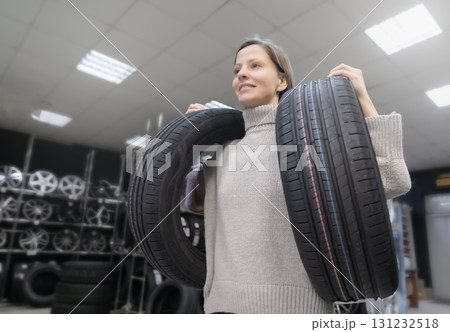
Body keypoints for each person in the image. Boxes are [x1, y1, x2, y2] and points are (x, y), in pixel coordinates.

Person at [185, 38, 411, 314]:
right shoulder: (225, 152)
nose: (242, 74)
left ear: (281, 81)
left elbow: (393, 179)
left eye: (255, 65)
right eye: (237, 70)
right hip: (222, 307)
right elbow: (192, 202)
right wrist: (192, 139)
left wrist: (363, 100)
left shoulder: (312, 143)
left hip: (295, 311)